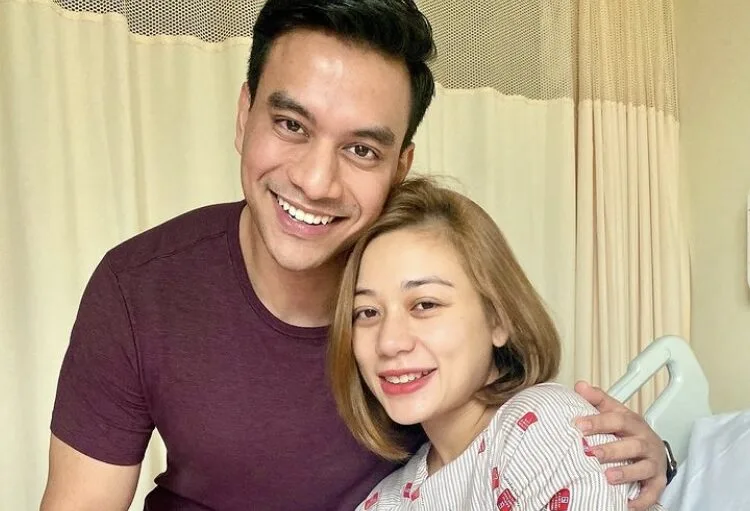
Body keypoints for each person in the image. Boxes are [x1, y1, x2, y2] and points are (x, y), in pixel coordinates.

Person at [40, 1, 669, 510]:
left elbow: (528, 436)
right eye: (292, 125)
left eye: (362, 150)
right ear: (244, 115)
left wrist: (640, 458)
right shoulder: (140, 287)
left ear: (400, 166)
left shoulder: (419, 274)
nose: (315, 181)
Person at [328, 177, 667, 510]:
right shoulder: (386, 501)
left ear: (498, 319)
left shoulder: (541, 427)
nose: (389, 342)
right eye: (367, 312)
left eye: (425, 305)